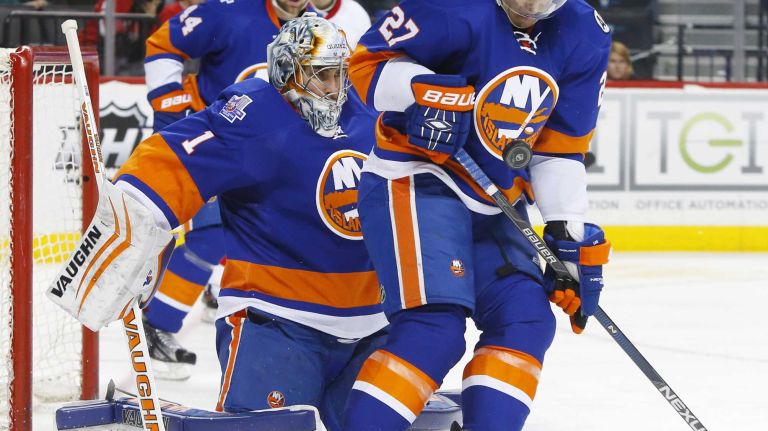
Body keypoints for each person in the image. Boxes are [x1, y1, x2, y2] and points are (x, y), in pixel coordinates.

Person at [342, 0, 611, 430]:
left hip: (496, 202)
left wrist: (568, 233)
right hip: (416, 177)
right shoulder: (450, 7)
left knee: (525, 320)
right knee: (434, 331)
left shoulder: (584, 31)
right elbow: (365, 66)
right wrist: (421, 88)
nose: (530, 5)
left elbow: (559, 148)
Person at [115, 14, 388, 429]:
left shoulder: (368, 113)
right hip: (277, 320)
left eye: (339, 74)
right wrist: (128, 220)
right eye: (320, 75)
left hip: (372, 326)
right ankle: (162, 321)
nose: (334, 88)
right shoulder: (252, 114)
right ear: (288, 72)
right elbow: (169, 162)